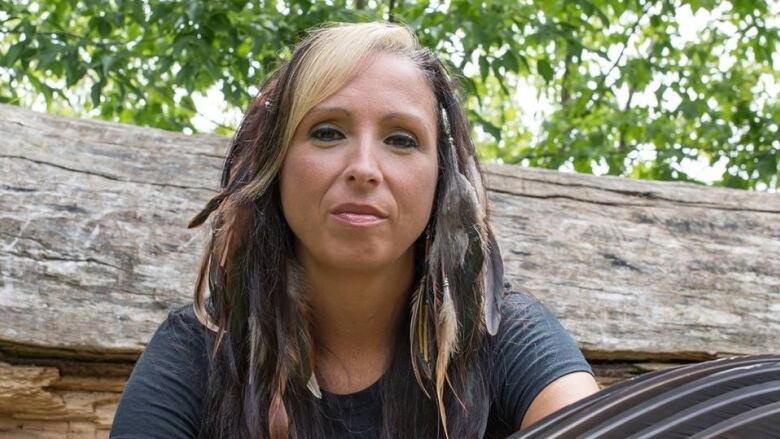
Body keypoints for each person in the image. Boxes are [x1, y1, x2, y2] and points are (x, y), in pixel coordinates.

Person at [110, 22, 600, 439]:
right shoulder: (201, 349)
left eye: (401, 139)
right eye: (327, 131)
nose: (364, 168)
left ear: (440, 179)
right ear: (277, 164)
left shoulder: (503, 337)